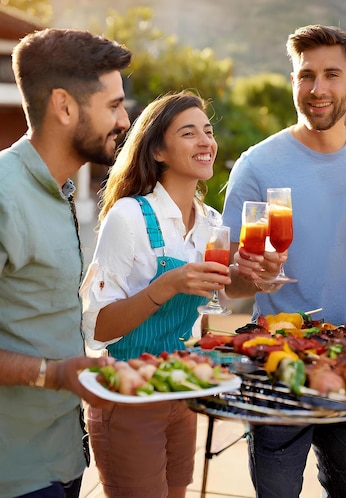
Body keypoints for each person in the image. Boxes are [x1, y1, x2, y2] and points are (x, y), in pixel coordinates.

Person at [222, 24, 346, 498]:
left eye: (332, 75)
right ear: (292, 80)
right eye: (306, 75)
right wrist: (251, 277)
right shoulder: (257, 166)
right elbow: (230, 286)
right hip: (276, 365)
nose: (317, 89)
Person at [0, 28, 132, 498]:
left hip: (64, 458)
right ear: (64, 106)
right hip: (15, 473)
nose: (124, 118)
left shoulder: (62, 192)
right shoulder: (3, 194)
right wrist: (53, 375)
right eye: (113, 105)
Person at [81, 90, 232, 498]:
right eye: (189, 133)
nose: (206, 142)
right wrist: (167, 285)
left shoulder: (211, 224)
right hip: (126, 392)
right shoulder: (128, 216)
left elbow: (225, 289)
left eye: (208, 130)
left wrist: (257, 275)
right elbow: (97, 327)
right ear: (159, 151)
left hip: (180, 389)